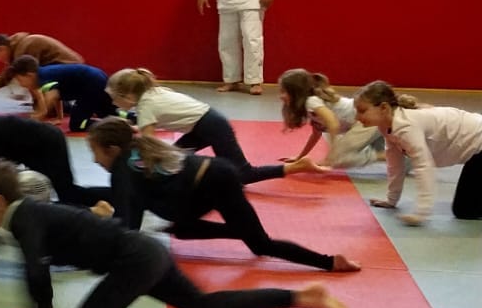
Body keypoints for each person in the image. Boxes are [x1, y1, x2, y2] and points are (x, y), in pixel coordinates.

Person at [0, 161, 346, 308]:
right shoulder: (33, 213)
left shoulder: (23, 218)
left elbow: (35, 263)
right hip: (144, 253)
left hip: (133, 260)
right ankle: (297, 296)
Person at [80, 117, 358, 273]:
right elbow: (133, 213)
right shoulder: (137, 150)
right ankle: (242, 231)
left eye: (95, 153)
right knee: (179, 227)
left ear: (113, 150)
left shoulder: (122, 170)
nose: (93, 161)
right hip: (216, 175)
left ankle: (330, 262)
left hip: (213, 183)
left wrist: (97, 253)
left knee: (261, 245)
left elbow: (128, 224)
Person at [106, 67, 297, 187]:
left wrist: (134, 166)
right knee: (174, 160)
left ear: (128, 97)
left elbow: (149, 144)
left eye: (114, 99)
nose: (114, 104)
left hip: (211, 125)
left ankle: (296, 167)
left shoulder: (146, 106)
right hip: (203, 124)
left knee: (244, 175)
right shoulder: (152, 93)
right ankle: (193, 185)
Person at [355, 80, 482, 225]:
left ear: (384, 108)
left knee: (465, 211)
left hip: (479, 141)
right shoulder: (387, 127)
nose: (357, 117)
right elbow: (395, 164)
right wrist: (391, 200)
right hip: (476, 150)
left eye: (362, 111)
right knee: (466, 207)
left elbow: (424, 167)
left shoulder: (406, 127)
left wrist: (421, 213)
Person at [278, 68, 385, 171]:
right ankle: (386, 153)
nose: (280, 96)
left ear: (296, 93)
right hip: (369, 121)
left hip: (369, 120)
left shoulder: (311, 102)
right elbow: (316, 134)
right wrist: (300, 157)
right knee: (337, 157)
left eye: (284, 92)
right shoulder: (311, 106)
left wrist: (333, 153)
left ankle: (384, 155)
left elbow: (333, 123)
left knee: (338, 159)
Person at [8, 57, 115, 132]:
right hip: (97, 78)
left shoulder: (43, 76)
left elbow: (52, 96)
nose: (21, 85)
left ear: (29, 75)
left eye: (20, 80)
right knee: (107, 113)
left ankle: (108, 126)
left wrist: (39, 116)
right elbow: (57, 96)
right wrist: (60, 117)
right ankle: (128, 118)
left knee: (77, 125)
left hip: (91, 84)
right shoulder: (45, 75)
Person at [0, 31, 86, 96]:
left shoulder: (24, 48)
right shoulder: (18, 46)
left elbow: (32, 77)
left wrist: (41, 108)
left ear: (1, 48)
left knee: (39, 82)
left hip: (74, 71)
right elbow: (10, 71)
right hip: (72, 68)